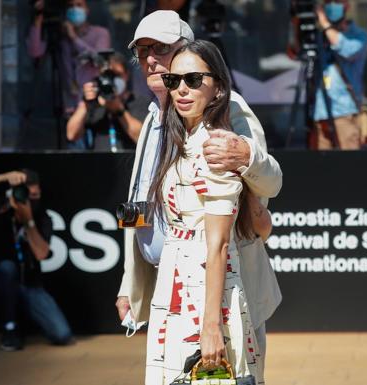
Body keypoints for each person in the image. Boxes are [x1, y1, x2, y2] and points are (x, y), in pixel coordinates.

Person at [116, 10, 282, 382]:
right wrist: (130, 282)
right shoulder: (155, 119)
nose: (151, 59)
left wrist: (247, 156)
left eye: (161, 48)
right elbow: (142, 203)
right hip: (169, 282)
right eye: (142, 52)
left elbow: (268, 186)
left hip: (223, 285)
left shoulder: (228, 109)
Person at [0, 170, 73, 351]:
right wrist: (5, 177)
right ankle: (9, 328)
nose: (31, 200)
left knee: (62, 334)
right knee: (7, 268)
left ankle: (19, 321)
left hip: (29, 284)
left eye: (36, 195)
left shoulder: (42, 218)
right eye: (27, 195)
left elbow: (41, 254)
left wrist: (28, 222)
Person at [27, 0, 111, 117]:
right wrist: (37, 22)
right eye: (70, 6)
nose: (74, 9)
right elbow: (35, 52)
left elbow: (100, 61)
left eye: (79, 5)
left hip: (95, 103)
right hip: (70, 105)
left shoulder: (100, 33)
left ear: (87, 9)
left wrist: (74, 38)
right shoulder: (60, 36)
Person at [311, 0, 367, 150]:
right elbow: (294, 52)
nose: (331, 4)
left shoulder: (358, 35)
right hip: (320, 112)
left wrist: (324, 22)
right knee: (323, 168)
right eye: (327, 1)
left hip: (345, 112)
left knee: (349, 168)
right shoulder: (319, 35)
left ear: (347, 6)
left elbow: (346, 49)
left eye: (336, 1)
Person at [66, 52, 147, 151]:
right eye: (107, 75)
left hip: (130, 163)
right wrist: (85, 104)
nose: (111, 80)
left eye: (116, 75)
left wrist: (120, 111)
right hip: (100, 164)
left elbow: (144, 140)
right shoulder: (94, 103)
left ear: (126, 75)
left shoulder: (139, 101)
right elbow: (71, 135)